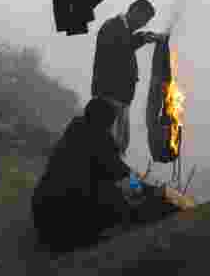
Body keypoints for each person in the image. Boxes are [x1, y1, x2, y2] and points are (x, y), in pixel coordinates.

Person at [31, 97, 144, 257]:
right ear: (107, 122)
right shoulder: (102, 141)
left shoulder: (74, 130)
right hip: (63, 225)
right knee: (117, 199)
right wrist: (138, 186)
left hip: (41, 214)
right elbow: (121, 171)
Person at [91, 0, 163, 155]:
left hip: (120, 101)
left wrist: (145, 36)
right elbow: (120, 48)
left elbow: (127, 43)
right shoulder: (112, 27)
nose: (143, 24)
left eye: (146, 22)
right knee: (107, 148)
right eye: (144, 19)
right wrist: (144, 38)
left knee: (119, 145)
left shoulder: (123, 31)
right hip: (108, 99)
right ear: (134, 11)